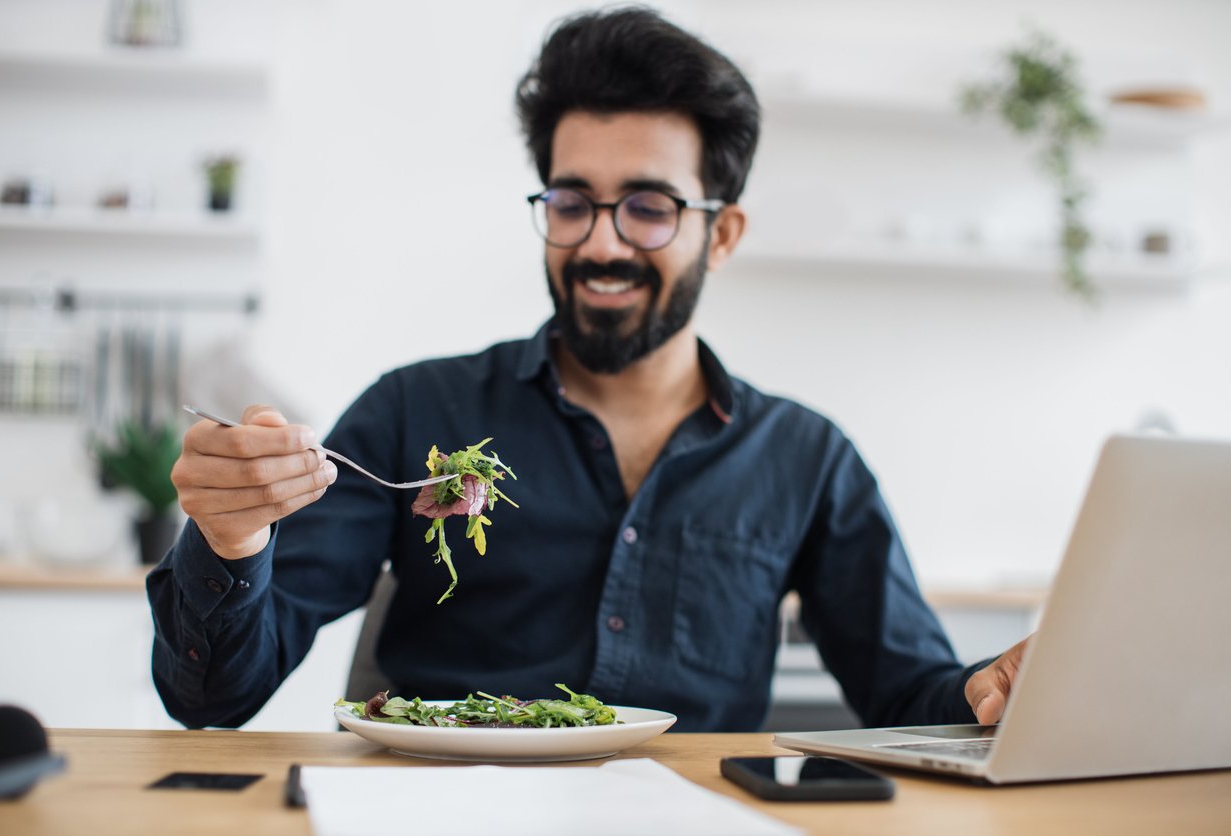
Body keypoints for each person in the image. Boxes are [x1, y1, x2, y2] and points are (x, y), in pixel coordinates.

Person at [149, 6, 1027, 732]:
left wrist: (1000, 687)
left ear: (720, 235)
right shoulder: (417, 410)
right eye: (571, 203)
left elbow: (912, 695)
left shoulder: (807, 459)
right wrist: (233, 538)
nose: (601, 242)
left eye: (648, 207)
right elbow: (214, 696)